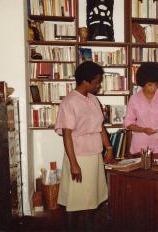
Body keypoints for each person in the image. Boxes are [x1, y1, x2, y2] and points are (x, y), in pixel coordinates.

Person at [54, 61, 113, 230]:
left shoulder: (94, 99)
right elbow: (66, 136)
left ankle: (90, 227)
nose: (98, 85)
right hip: (78, 156)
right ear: (85, 81)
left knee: (93, 198)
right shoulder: (69, 102)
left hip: (95, 155)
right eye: (96, 82)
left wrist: (108, 148)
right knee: (76, 200)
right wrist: (73, 164)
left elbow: (100, 127)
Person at [124, 62, 158, 157]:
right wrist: (143, 130)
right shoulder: (134, 99)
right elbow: (128, 123)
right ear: (143, 83)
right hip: (140, 147)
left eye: (156, 84)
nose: (154, 88)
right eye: (150, 84)